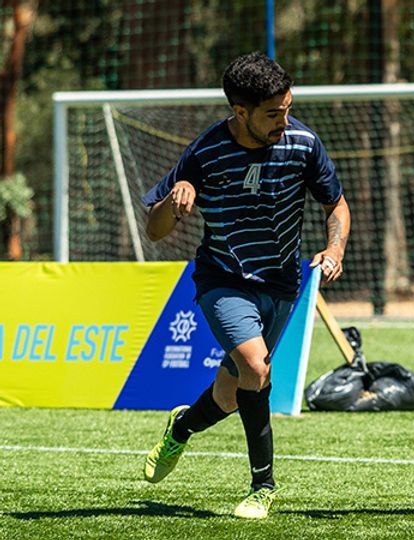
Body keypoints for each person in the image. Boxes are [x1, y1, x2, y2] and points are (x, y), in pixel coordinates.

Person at [140, 52, 351, 519]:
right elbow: (153, 229)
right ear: (240, 113)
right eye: (272, 113)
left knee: (231, 391)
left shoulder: (303, 143)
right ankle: (263, 487)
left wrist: (334, 249)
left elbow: (335, 205)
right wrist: (174, 205)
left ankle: (182, 427)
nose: (284, 120)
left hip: (282, 281)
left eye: (288, 108)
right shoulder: (205, 151)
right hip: (223, 277)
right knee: (256, 368)